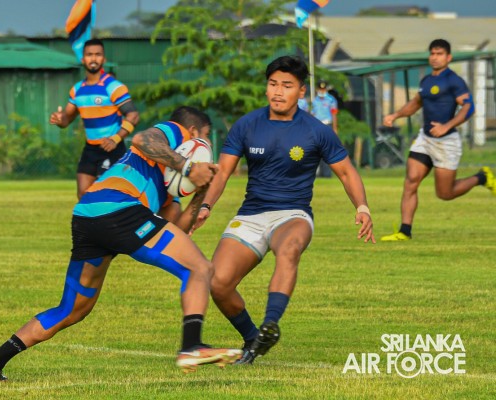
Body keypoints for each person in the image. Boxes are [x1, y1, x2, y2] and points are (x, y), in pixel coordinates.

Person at [0, 106, 242, 382]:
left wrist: (201, 191)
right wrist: (189, 167)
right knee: (199, 268)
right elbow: (142, 139)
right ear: (193, 132)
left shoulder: (164, 187)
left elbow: (176, 230)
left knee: (73, 309)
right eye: (206, 135)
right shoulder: (175, 131)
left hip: (88, 216)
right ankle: (192, 346)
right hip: (119, 209)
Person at [192, 56, 375, 365]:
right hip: (251, 215)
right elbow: (222, 173)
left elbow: (346, 172)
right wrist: (206, 205)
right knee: (218, 283)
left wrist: (362, 207)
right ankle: (254, 337)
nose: (278, 92)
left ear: (301, 91)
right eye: (273, 84)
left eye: (287, 86)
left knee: (288, 249)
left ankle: (271, 322)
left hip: (293, 214)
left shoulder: (316, 130)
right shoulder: (247, 125)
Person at [381, 39, 495, 242]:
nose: (435, 57)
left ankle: (481, 177)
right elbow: (415, 103)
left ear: (448, 57)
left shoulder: (454, 80)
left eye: (439, 54)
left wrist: (447, 126)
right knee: (411, 181)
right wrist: (395, 115)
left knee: (445, 193)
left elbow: (468, 107)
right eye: (432, 53)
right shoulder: (426, 81)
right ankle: (404, 231)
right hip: (425, 139)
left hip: (446, 142)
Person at [49, 38, 140, 200]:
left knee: (110, 196)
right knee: (83, 194)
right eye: (89, 55)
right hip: (90, 149)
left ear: (104, 59)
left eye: (98, 55)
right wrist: (59, 119)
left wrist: (115, 139)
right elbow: (67, 119)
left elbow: (133, 116)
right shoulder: (77, 90)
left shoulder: (113, 87)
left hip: (112, 147)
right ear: (83, 59)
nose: (93, 58)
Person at [311, 80, 339, 178]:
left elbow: (334, 114)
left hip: (327, 125)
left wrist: (335, 128)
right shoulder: (315, 100)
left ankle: (327, 174)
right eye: (320, 89)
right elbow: (313, 114)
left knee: (326, 150)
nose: (322, 91)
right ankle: (318, 173)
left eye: (323, 89)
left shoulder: (331, 100)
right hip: (317, 126)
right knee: (316, 150)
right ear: (317, 89)